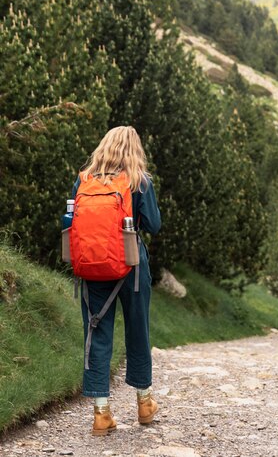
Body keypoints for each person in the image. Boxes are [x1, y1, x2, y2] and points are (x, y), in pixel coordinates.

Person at [71, 125, 161, 436]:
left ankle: (101, 413)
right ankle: (144, 404)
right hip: (132, 266)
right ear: (135, 150)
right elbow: (154, 224)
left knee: (96, 333)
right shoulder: (139, 181)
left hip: (92, 268)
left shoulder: (84, 180)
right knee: (138, 330)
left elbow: (68, 221)